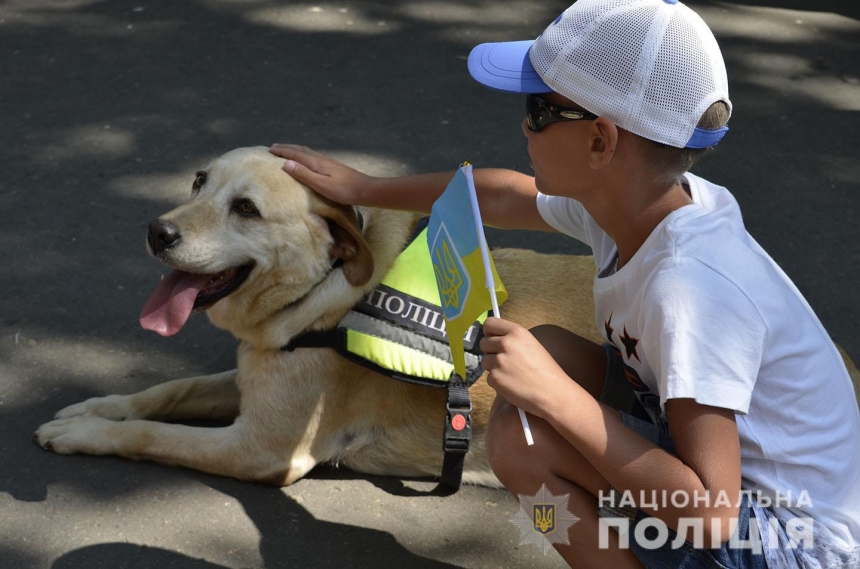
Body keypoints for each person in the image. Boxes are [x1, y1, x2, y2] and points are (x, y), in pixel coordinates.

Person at [270, 0, 860, 566]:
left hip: (797, 544)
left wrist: (556, 396)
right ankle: (581, 533)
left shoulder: (689, 291)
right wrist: (362, 188)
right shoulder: (641, 205)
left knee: (530, 442)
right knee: (530, 396)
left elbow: (709, 513)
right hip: (747, 499)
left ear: (601, 141)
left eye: (539, 110)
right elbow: (497, 193)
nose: (524, 126)